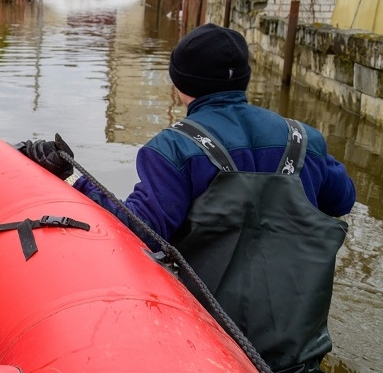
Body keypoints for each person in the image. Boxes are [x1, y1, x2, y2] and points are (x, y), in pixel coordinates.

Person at [20, 23, 356, 373]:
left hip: (212, 346)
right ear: (245, 78)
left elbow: (140, 230)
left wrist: (71, 178)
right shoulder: (306, 140)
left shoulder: (174, 148)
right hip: (298, 343)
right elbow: (342, 200)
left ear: (180, 85)